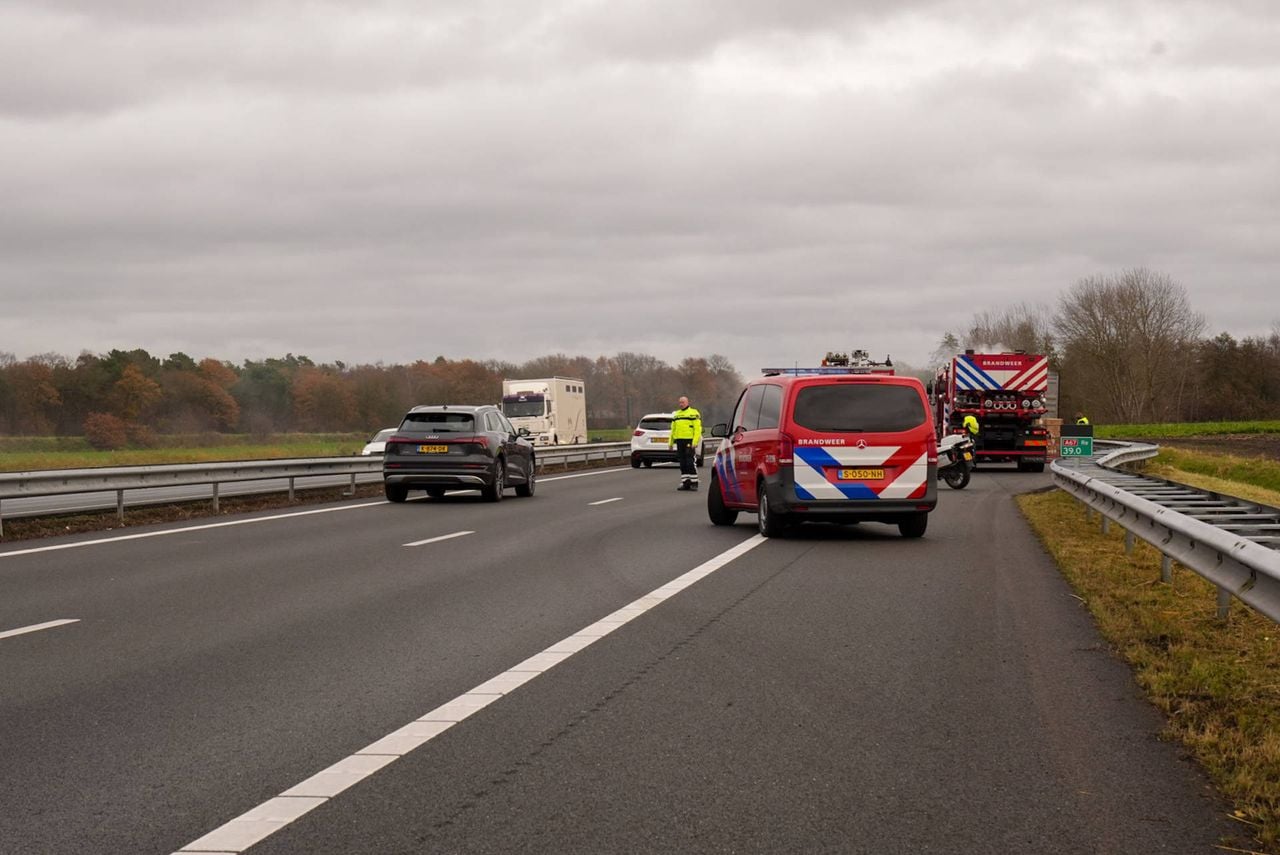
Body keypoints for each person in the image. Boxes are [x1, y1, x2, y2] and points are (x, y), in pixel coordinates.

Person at [669, 395, 702, 491]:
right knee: (682, 463)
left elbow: (697, 429)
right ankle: (685, 483)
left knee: (689, 462)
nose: (681, 404)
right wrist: (670, 443)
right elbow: (673, 430)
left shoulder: (693, 413)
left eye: (683, 402)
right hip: (680, 441)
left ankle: (694, 483)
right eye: (680, 402)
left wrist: (695, 441)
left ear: (687, 402)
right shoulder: (676, 415)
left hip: (689, 441)